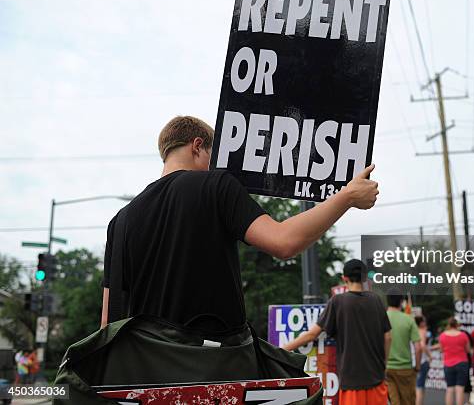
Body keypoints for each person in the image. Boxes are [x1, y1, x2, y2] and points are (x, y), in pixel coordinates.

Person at [100, 116, 379, 329]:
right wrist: (347, 196)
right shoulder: (214, 186)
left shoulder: (121, 221)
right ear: (198, 146)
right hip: (210, 372)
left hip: (143, 379)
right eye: (214, 156)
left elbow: (108, 323)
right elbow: (284, 242)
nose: (217, 166)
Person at [282, 259, 392, 405]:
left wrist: (281, 349)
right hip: (377, 378)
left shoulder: (338, 302)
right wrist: (384, 364)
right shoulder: (376, 300)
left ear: (344, 278)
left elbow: (312, 334)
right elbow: (388, 336)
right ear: (364, 278)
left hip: (351, 381)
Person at [385, 293, 422, 405]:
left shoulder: (381, 317)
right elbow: (418, 347)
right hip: (405, 368)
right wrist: (417, 367)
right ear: (402, 302)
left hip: (386, 369)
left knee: (394, 401)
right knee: (408, 401)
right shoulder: (408, 319)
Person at [436, 317, 470, 405]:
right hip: (462, 363)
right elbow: (468, 350)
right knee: (460, 389)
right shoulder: (463, 335)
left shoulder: (442, 336)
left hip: (448, 364)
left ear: (449, 325)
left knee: (450, 388)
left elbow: (441, 350)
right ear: (457, 325)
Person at [415, 316, 432, 405]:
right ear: (421, 323)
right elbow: (422, 345)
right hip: (422, 360)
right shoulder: (422, 331)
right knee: (420, 387)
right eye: (424, 321)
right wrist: (430, 356)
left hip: (414, 360)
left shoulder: (413, 330)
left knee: (417, 386)